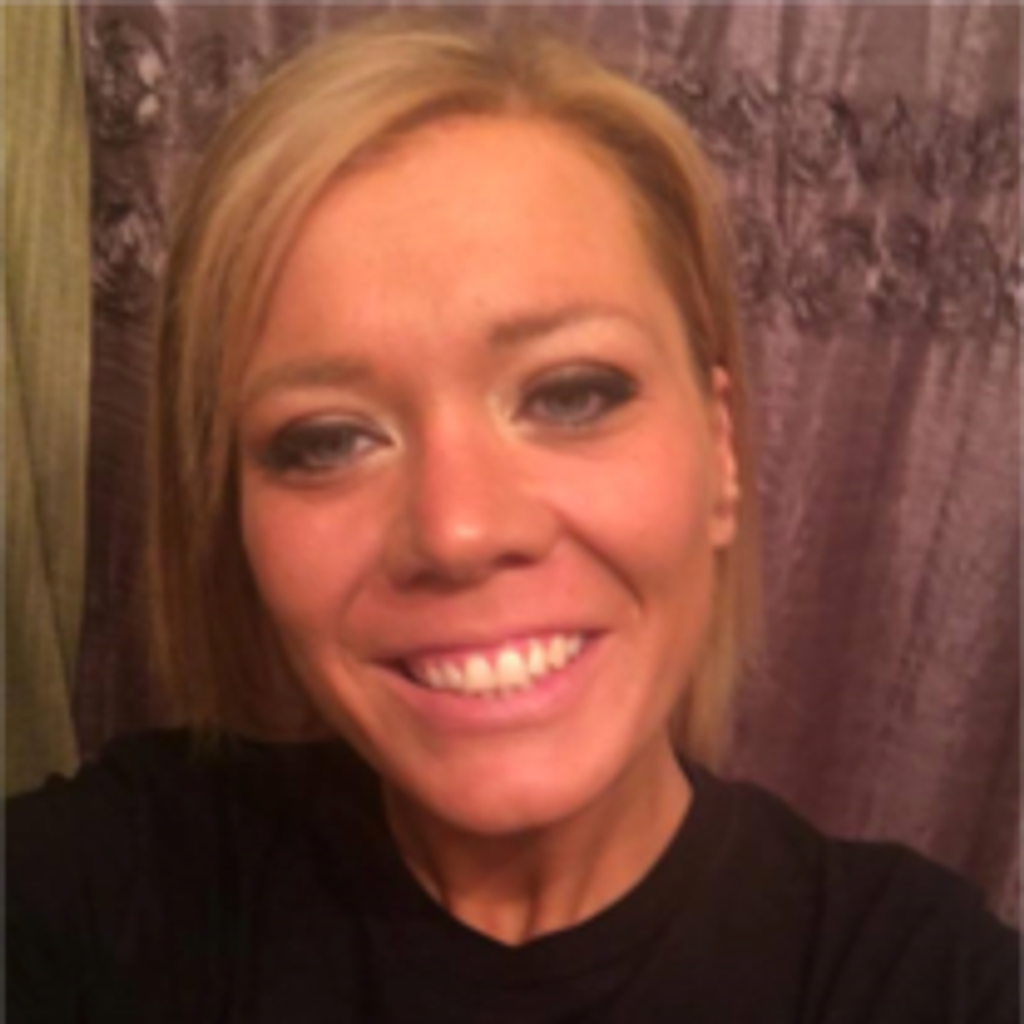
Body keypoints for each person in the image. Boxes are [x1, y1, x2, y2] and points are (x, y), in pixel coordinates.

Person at [2, 14, 1021, 1023]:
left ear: (720, 452)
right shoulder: (112, 888)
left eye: (570, 394)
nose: (458, 530)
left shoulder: (926, 980)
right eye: (328, 440)